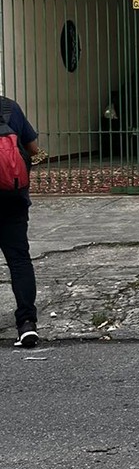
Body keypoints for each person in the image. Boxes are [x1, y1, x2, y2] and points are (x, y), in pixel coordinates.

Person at [0, 94, 41, 348]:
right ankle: (26, 324)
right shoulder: (10, 107)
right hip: (12, 200)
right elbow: (33, 149)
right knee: (19, 260)